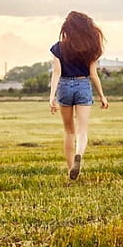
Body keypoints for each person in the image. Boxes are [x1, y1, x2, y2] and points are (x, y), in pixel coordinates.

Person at [49, 11, 109, 180]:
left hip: (65, 86)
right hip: (83, 85)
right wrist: (102, 96)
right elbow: (93, 74)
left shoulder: (58, 48)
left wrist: (51, 97)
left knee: (69, 131)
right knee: (82, 131)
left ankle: (70, 170)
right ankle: (79, 156)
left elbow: (56, 73)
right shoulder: (90, 48)